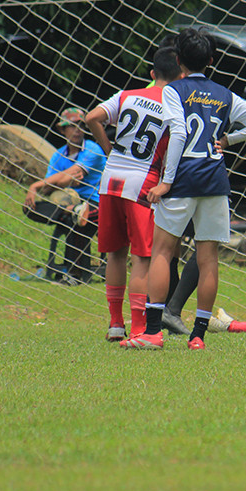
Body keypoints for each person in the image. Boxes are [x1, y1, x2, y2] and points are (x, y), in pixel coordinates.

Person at [123, 27, 246, 350]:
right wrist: (228, 140)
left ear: (178, 61)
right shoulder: (223, 93)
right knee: (208, 258)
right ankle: (198, 336)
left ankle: (152, 333)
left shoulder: (173, 90)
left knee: (162, 250)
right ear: (211, 60)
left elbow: (178, 133)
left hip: (184, 178)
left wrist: (166, 181)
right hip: (215, 180)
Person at [85, 46, 183, 342]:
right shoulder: (173, 105)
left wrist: (107, 148)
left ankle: (116, 324)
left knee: (115, 253)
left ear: (152, 74)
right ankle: (139, 327)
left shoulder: (126, 95)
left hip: (110, 180)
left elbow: (92, 118)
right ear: (181, 76)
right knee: (144, 257)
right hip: (142, 182)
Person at [23, 107, 107, 285]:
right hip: (69, 202)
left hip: (98, 203)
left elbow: (66, 175)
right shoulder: (58, 155)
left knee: (76, 215)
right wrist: (60, 182)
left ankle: (75, 275)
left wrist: (36, 185)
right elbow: (51, 188)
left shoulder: (94, 149)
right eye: (72, 125)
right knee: (31, 208)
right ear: (62, 129)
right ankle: (64, 270)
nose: (77, 130)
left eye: (81, 125)